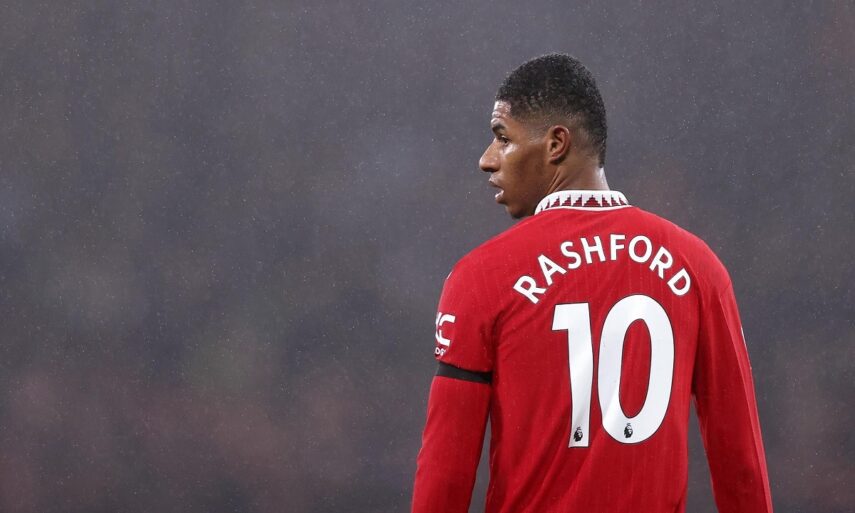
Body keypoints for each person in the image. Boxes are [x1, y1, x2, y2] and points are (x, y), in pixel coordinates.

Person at [411, 54, 772, 513]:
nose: (487, 160)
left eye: (503, 137)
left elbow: (445, 476)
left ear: (556, 143)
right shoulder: (699, 268)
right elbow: (741, 465)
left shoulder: (482, 277)